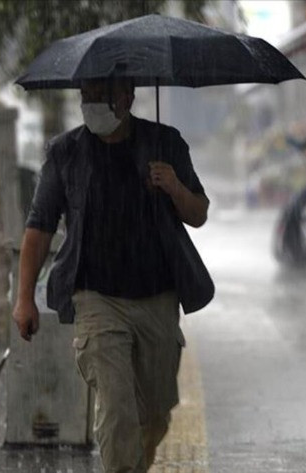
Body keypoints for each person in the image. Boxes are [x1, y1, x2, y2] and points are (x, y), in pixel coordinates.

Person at [12, 77, 214, 473]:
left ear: (127, 97)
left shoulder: (165, 143)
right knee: (118, 407)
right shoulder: (65, 152)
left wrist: (173, 186)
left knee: (154, 413)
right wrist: (23, 299)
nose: (91, 105)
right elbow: (39, 227)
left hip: (156, 298)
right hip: (96, 299)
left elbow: (199, 213)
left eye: (100, 96)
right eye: (85, 96)